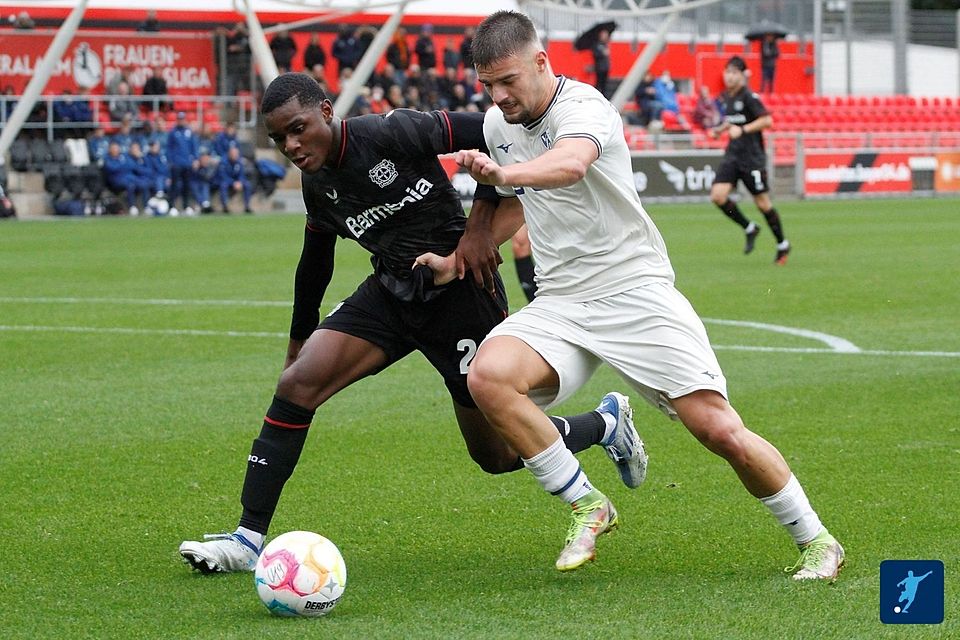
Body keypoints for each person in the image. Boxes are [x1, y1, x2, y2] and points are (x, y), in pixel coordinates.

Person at [424, 10, 842, 579]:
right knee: (487, 377)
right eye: (487, 86)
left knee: (719, 430)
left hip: (634, 290)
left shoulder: (585, 107)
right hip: (562, 300)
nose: (498, 97)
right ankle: (586, 502)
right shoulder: (501, 128)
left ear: (541, 63)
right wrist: (458, 259)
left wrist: (500, 177)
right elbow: (525, 199)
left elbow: (569, 165)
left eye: (508, 81)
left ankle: (817, 539)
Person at [178, 72, 646, 574]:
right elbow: (315, 262)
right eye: (279, 138)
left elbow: (493, 134)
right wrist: (298, 341)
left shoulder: (392, 132)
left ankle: (604, 423)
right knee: (296, 385)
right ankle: (248, 540)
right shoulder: (318, 185)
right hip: (392, 294)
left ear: (328, 112)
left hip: (461, 295)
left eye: (298, 129)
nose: (291, 145)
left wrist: (477, 232)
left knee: (497, 455)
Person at [708, 56, 790, 264]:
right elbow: (732, 121)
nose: (729, 76)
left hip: (752, 158)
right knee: (718, 196)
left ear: (743, 75)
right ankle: (749, 227)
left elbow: (767, 120)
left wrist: (743, 130)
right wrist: (721, 129)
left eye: (734, 72)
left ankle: (782, 243)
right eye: (727, 72)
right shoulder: (726, 97)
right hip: (733, 155)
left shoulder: (749, 97)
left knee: (762, 203)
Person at [216, 145, 253, 213]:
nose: (235, 156)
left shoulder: (239, 162)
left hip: (237, 181)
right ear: (229, 154)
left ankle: (247, 206)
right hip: (227, 181)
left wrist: (240, 182)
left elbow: (242, 174)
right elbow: (223, 176)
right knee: (223, 185)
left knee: (247, 185)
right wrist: (233, 183)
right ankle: (225, 206)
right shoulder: (223, 162)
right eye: (233, 154)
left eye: (236, 154)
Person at [591, 28, 611, 98]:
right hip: (599, 68)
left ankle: (604, 97)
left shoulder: (605, 45)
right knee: (599, 84)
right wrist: (602, 53)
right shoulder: (596, 45)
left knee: (604, 85)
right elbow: (595, 55)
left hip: (605, 67)